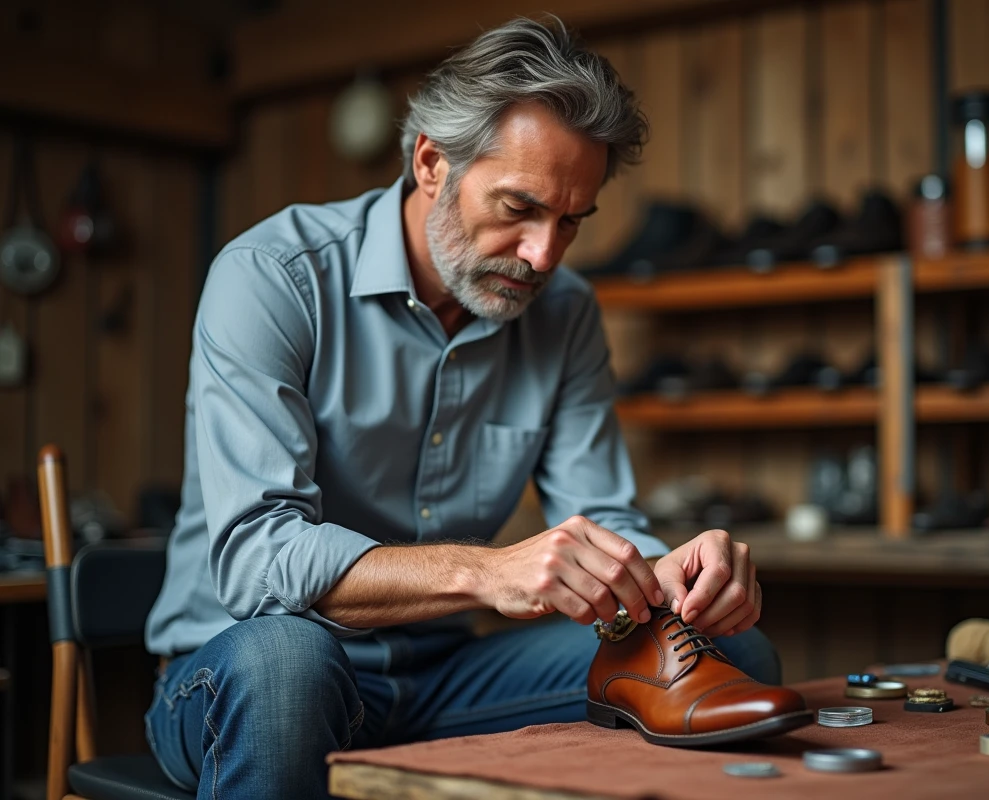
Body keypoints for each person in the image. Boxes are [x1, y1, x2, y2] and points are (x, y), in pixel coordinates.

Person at [144, 16, 778, 799]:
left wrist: (668, 577)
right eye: (519, 207)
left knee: (737, 657)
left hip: (446, 674)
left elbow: (602, 515)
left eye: (571, 220)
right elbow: (256, 560)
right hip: (242, 675)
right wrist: (486, 572)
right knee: (285, 663)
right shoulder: (272, 277)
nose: (544, 254)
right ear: (432, 163)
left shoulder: (565, 311)